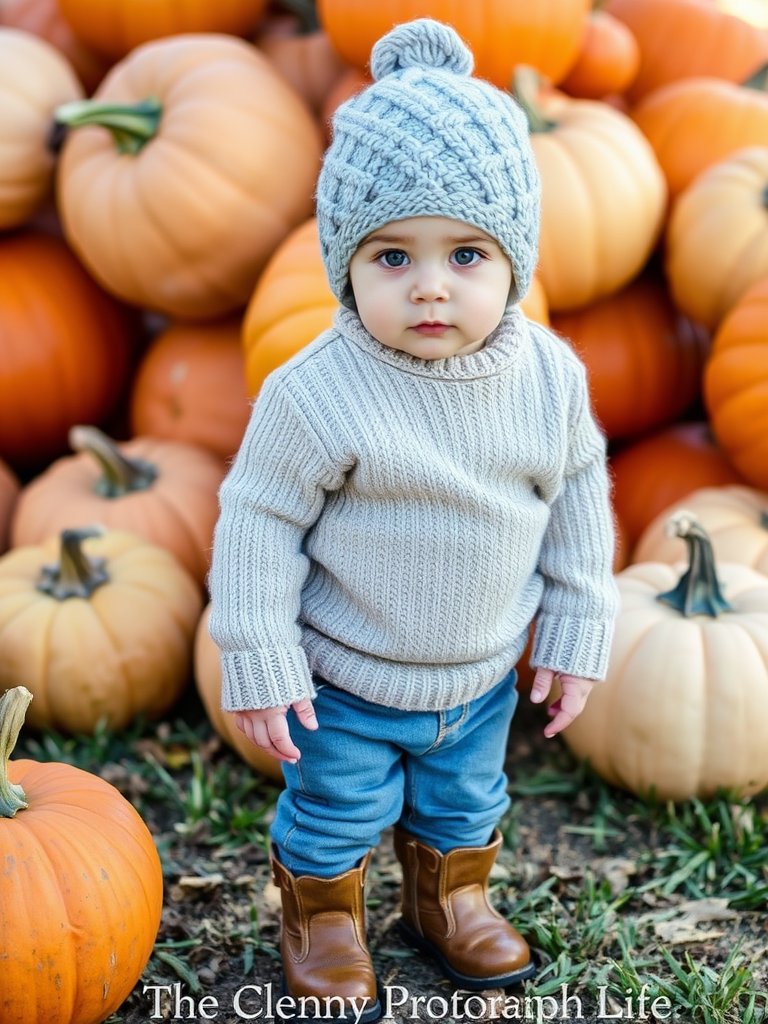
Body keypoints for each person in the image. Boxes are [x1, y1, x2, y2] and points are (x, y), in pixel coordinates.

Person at [209, 17, 619, 1024]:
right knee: (336, 809)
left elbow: (576, 507)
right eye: (391, 256)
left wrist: (575, 626)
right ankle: (325, 916)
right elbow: (256, 521)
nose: (430, 284)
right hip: (344, 679)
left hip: (478, 677)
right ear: (343, 258)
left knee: (466, 802)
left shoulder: (549, 378)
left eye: (467, 253)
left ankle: (453, 894)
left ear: (515, 257)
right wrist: (257, 652)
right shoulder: (317, 392)